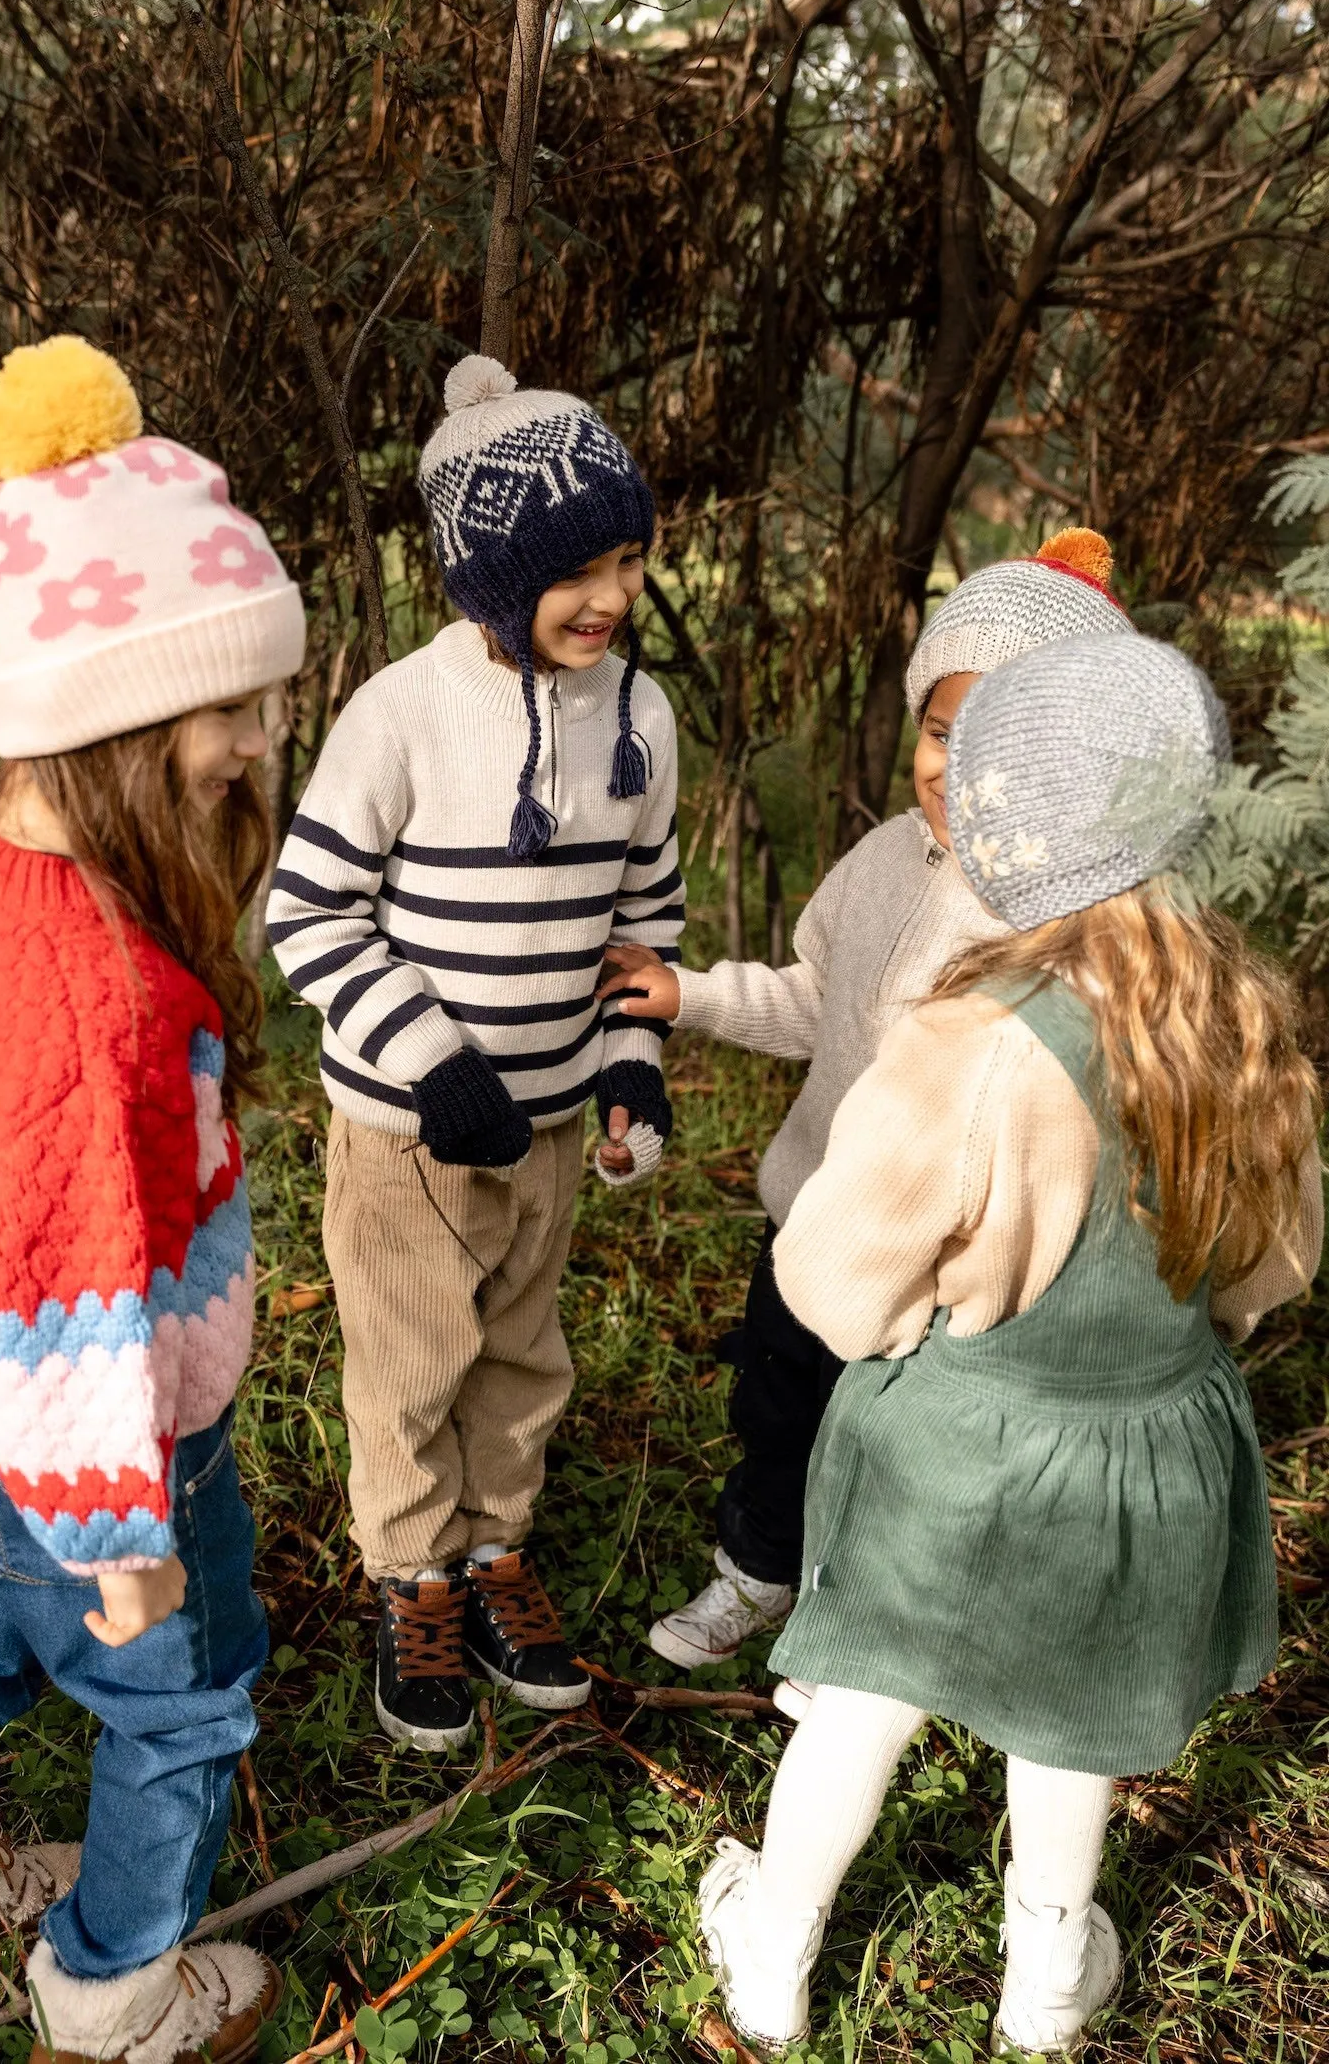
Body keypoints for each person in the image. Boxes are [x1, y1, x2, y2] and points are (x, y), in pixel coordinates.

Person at [696, 630, 1324, 2056]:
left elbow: (840, 1268)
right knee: (1072, 1725)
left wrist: (908, 1332)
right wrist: (1195, 1336)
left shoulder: (975, 1033)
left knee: (859, 1701)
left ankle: (773, 1951)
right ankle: (1046, 1980)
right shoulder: (1236, 1014)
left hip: (964, 1442)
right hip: (1150, 1441)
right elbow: (1278, 1257)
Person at [0, 336, 305, 2064]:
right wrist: (119, 1542)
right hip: (99, 1446)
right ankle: (112, 1987)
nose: (262, 739)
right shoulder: (93, 997)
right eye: (234, 705)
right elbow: (79, 1293)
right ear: (114, 713)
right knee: (178, 1705)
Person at [602, 531, 1133, 1674]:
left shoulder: (1061, 923)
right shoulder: (883, 858)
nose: (954, 766)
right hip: (811, 1220)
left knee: (903, 1451)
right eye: (942, 731)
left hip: (943, 1269)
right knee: (780, 1412)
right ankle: (758, 1571)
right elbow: (810, 999)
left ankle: (873, 1638)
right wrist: (685, 994)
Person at [267, 355, 685, 1754]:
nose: (612, 595)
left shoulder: (641, 716)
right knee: (409, 1361)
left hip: (553, 1126)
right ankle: (415, 1577)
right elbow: (308, 911)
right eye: (576, 568)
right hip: (405, 1132)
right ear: (490, 572)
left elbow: (645, 918)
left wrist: (630, 1066)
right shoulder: (401, 713)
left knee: (519, 1350)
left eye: (626, 558)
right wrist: (434, 1060)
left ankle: (495, 1551)